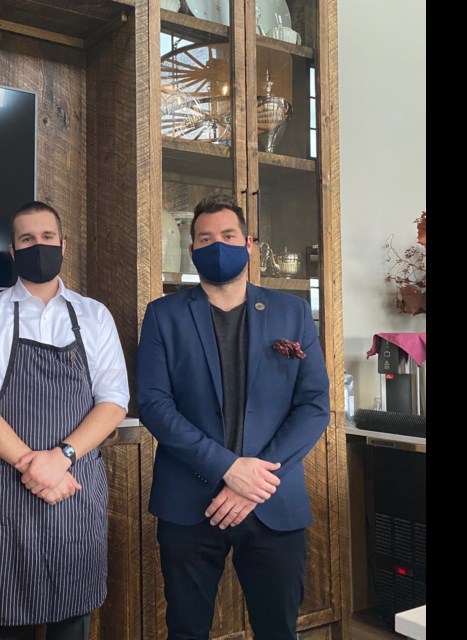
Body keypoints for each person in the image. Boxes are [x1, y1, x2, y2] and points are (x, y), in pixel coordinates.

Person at [136, 193, 331, 640]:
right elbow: (154, 404)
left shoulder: (292, 312)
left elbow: (314, 403)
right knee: (186, 629)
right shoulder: (163, 315)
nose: (216, 245)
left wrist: (254, 480)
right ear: (192, 251)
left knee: (278, 629)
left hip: (272, 502)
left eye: (227, 236)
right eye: (205, 238)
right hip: (189, 504)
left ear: (248, 244)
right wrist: (228, 469)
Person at [0, 200, 129, 640]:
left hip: (75, 486)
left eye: (47, 237)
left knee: (73, 622)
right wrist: (37, 466)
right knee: (1, 619)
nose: (39, 246)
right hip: (6, 489)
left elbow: (114, 401)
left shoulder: (94, 315)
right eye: (27, 239)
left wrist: (62, 457)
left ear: (63, 244)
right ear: (13, 251)